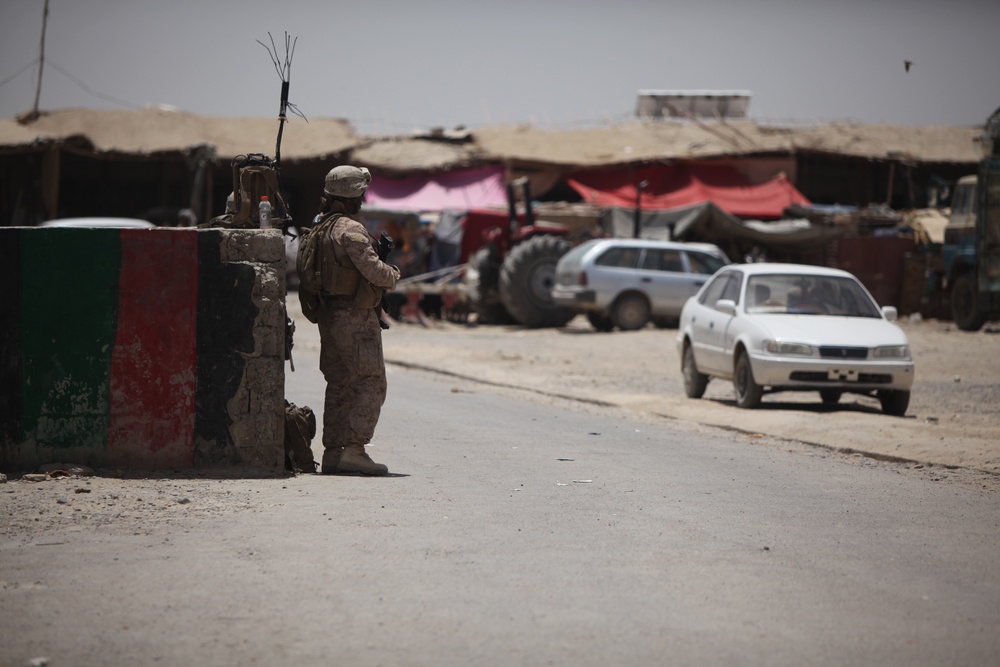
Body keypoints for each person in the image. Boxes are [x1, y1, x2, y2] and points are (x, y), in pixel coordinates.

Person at [313, 165, 400, 476]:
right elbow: (375, 272)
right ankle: (355, 450)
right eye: (361, 193)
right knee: (370, 382)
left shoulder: (321, 227)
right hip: (355, 317)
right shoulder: (350, 229)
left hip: (329, 316)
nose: (363, 199)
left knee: (339, 383)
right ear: (353, 196)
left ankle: (333, 452)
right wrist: (393, 275)